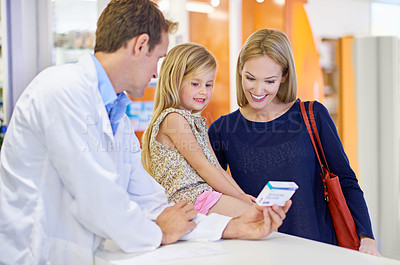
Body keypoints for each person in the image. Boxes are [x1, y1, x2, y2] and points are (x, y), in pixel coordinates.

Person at [0, 2, 291, 264]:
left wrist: (232, 226)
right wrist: (158, 232)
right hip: (34, 254)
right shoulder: (61, 91)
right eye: (158, 58)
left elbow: (151, 201)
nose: (156, 73)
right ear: (140, 46)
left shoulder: (116, 116)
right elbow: (98, 200)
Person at [208, 28, 379, 256]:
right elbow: (207, 195)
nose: (258, 90)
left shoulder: (313, 115)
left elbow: (346, 180)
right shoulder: (222, 129)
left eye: (269, 81)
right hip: (253, 253)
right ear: (240, 69)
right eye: (250, 78)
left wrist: (366, 238)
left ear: (285, 76)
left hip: (317, 251)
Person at [141, 43, 255, 218]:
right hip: (190, 199)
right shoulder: (173, 119)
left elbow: (217, 167)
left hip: (204, 195)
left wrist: (243, 196)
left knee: (255, 212)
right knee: (255, 217)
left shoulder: (197, 124)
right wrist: (239, 197)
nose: (204, 91)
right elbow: (203, 167)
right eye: (195, 84)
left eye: (209, 84)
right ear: (174, 81)